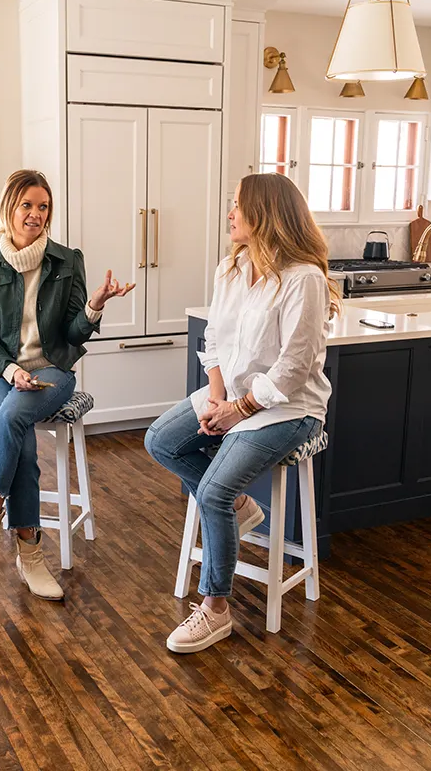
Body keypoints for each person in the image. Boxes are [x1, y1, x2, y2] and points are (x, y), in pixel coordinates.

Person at [144, 172, 341, 653]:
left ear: (264, 214)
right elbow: (213, 339)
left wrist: (239, 409)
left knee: (212, 490)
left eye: (238, 205)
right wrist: (217, 398)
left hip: (288, 408)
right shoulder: (231, 268)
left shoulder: (304, 279)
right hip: (232, 396)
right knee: (161, 441)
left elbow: (293, 369)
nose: (230, 214)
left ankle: (215, 609)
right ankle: (239, 509)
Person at [0, 169, 134, 600]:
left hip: (53, 371)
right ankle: (30, 554)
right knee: (19, 436)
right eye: (27, 205)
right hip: (3, 374)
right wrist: (10, 371)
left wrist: (94, 306)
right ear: (9, 208)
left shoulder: (67, 260)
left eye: (43, 207)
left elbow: (72, 334)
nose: (36, 214)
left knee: (10, 418)